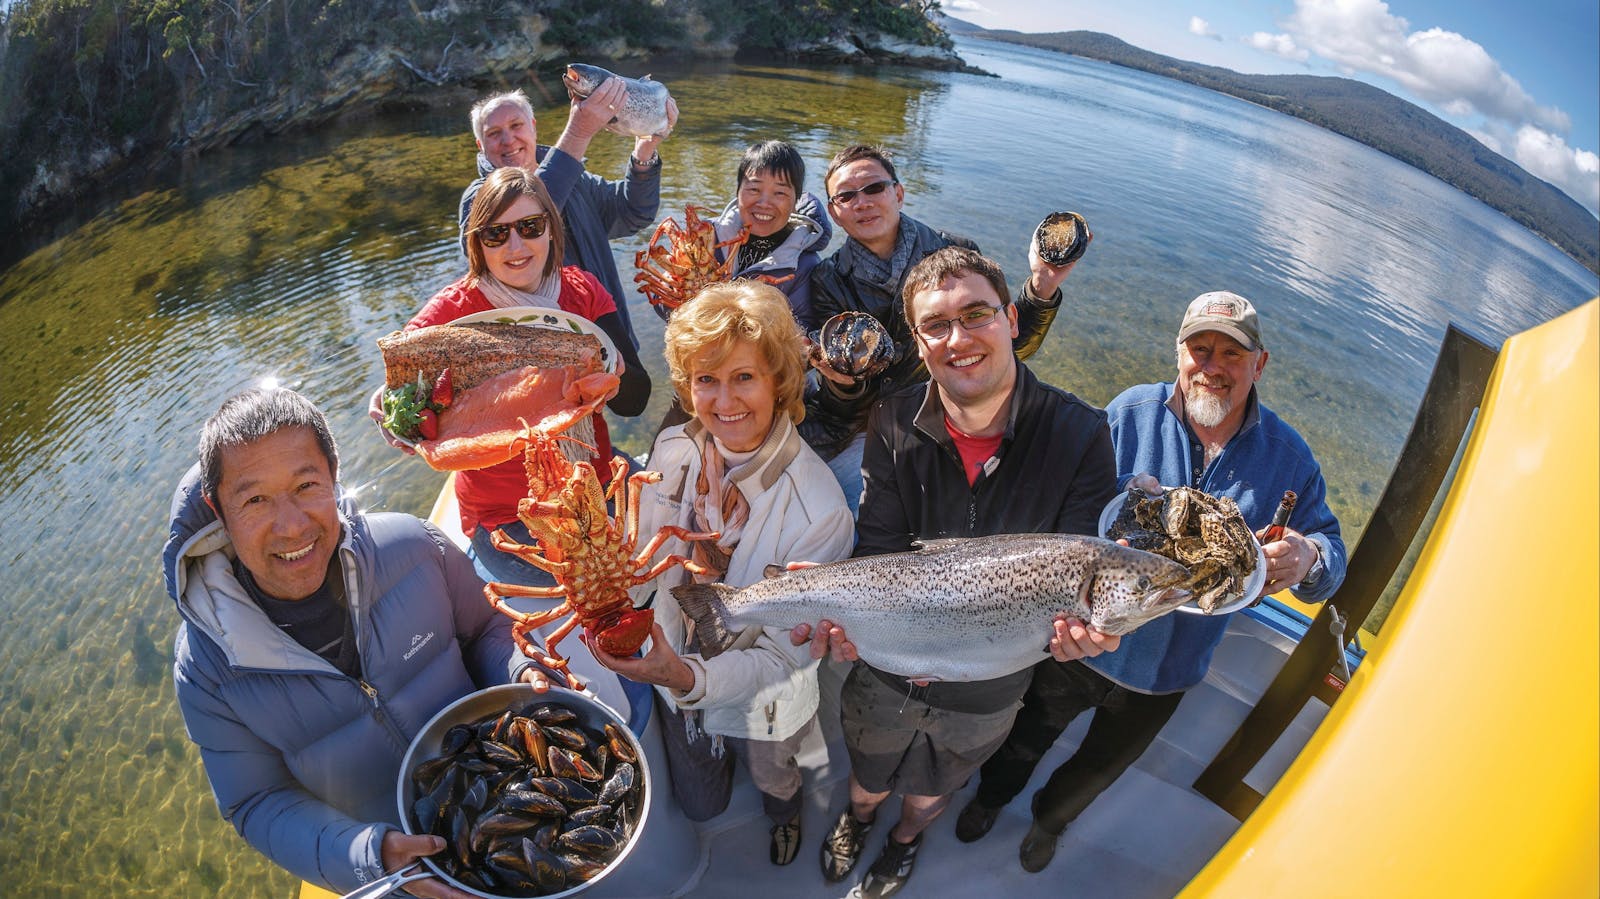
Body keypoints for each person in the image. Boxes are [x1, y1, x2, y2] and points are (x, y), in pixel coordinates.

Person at [954, 290, 1349, 873]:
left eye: (1232, 355)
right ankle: (990, 799)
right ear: (1179, 355)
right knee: (1025, 736)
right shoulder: (1131, 412)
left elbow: (1332, 556)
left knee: (1098, 768)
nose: (1212, 367)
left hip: (1169, 671)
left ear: (1258, 365)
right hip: (1079, 644)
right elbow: (1064, 501)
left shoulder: (1289, 458)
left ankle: (1048, 822)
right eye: (1200, 350)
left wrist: (1308, 556)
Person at [796, 247, 1119, 899]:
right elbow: (882, 544)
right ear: (917, 341)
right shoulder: (892, 418)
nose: (959, 338)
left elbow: (1077, 564)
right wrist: (836, 599)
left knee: (933, 787)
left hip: (990, 685)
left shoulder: (1082, 432)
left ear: (1009, 317)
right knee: (869, 771)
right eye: (936, 325)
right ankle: (857, 821)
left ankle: (904, 841)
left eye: (976, 314)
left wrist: (1090, 629)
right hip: (884, 667)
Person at [163, 387, 540, 898]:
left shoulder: (414, 547)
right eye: (255, 499)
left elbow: (488, 630)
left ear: (334, 472)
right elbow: (256, 800)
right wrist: (368, 854)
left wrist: (521, 668)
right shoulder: (206, 669)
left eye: (305, 485)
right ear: (218, 508)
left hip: (516, 800)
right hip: (400, 874)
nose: (292, 526)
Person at [591, 281, 854, 866]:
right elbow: (641, 568)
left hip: (758, 687)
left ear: (780, 383)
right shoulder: (670, 449)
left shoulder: (821, 512)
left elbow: (784, 662)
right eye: (706, 379)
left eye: (745, 377)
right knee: (702, 800)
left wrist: (687, 676)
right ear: (687, 386)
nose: (724, 400)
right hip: (672, 660)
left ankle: (785, 820)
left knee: (775, 770)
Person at [383, 166, 651, 586]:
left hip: (595, 487)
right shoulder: (454, 311)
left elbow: (635, 402)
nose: (515, 245)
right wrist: (383, 404)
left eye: (530, 226)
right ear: (477, 244)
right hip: (509, 517)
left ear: (551, 228)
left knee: (664, 545)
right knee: (584, 583)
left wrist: (613, 366)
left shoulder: (582, 291)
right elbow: (400, 375)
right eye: (496, 234)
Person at [803, 144, 1086, 513]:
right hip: (869, 426)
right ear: (834, 213)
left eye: (874, 188)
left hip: (951, 416)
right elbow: (846, 402)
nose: (862, 202)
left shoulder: (954, 250)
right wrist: (844, 383)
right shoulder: (828, 279)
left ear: (899, 193)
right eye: (846, 196)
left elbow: (1002, 346)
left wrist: (1042, 284)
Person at [458, 86, 679, 345]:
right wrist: (578, 132)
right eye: (494, 134)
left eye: (516, 125)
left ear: (533, 126)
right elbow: (531, 209)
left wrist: (644, 154)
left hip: (613, 338)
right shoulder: (478, 198)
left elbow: (632, 213)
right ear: (480, 145)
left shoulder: (575, 178)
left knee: (636, 386)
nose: (508, 140)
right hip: (548, 356)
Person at [707, 140, 832, 331]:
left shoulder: (805, 266)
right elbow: (663, 301)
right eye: (754, 189)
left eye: (780, 193)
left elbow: (804, 327)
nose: (765, 203)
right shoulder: (706, 237)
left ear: (795, 202)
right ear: (738, 191)